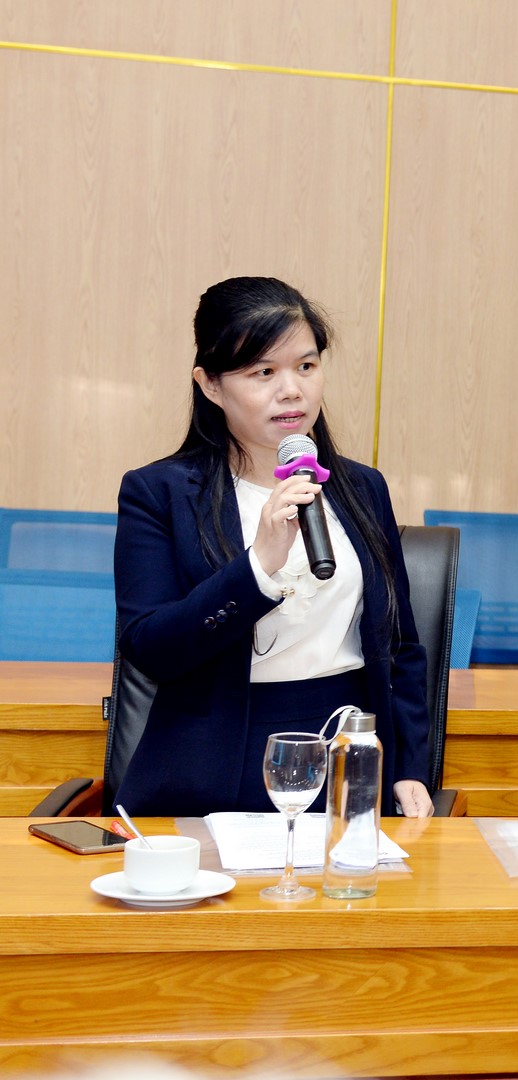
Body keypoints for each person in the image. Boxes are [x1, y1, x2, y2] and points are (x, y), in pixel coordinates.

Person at [113, 277, 434, 818]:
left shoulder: (363, 488)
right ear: (210, 385)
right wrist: (258, 566)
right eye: (263, 372)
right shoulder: (158, 492)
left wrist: (408, 767)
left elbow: (400, 644)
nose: (292, 391)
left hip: (345, 751)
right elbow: (151, 650)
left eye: (306, 366)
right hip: (212, 762)